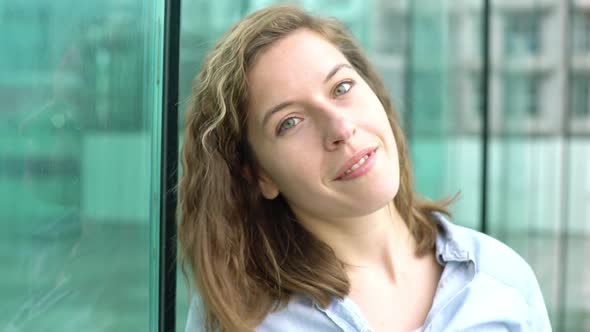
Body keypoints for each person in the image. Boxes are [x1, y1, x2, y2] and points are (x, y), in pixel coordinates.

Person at [178, 4, 551, 332]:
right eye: (290, 122)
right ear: (258, 174)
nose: (341, 128)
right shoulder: (237, 317)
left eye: (341, 88)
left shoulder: (501, 277)